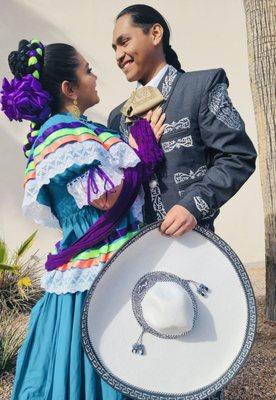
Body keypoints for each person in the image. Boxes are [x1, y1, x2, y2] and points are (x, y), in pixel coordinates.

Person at [1, 38, 164, 400]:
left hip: (102, 261)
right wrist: (146, 149)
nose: (95, 77)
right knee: (110, 363)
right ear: (69, 89)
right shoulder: (64, 134)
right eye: (87, 70)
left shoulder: (81, 131)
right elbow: (105, 198)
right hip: (98, 270)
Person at [108, 4, 257, 399]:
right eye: (114, 48)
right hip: (138, 257)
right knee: (148, 362)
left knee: (200, 361)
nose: (119, 54)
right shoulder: (116, 119)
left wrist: (195, 204)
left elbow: (238, 156)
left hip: (197, 250)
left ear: (155, 34)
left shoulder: (202, 86)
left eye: (125, 41)